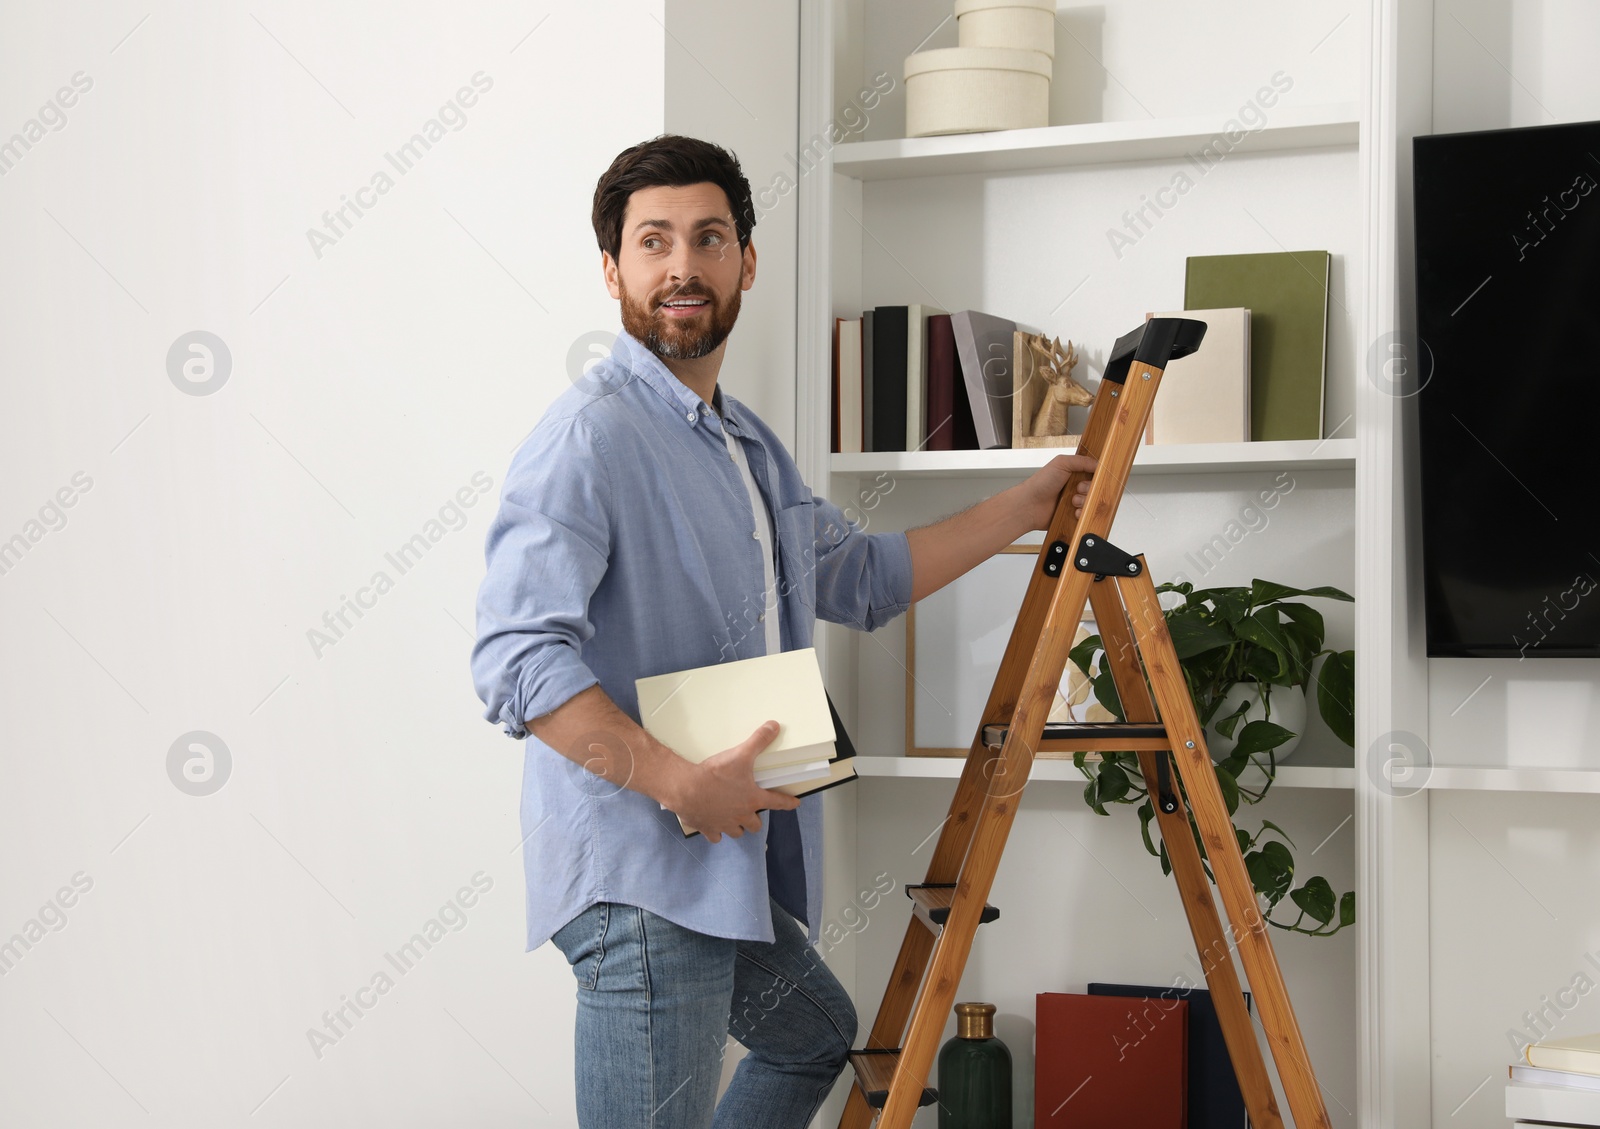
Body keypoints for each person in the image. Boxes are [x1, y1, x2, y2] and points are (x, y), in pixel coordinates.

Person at [470, 133, 1094, 1129]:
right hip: (642, 875)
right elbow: (512, 658)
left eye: (709, 238)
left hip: (725, 865)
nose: (683, 264)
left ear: (745, 262)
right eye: (654, 242)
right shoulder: (587, 435)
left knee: (814, 1036)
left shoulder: (745, 441)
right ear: (612, 269)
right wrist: (680, 780)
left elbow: (862, 579)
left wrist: (1023, 505)